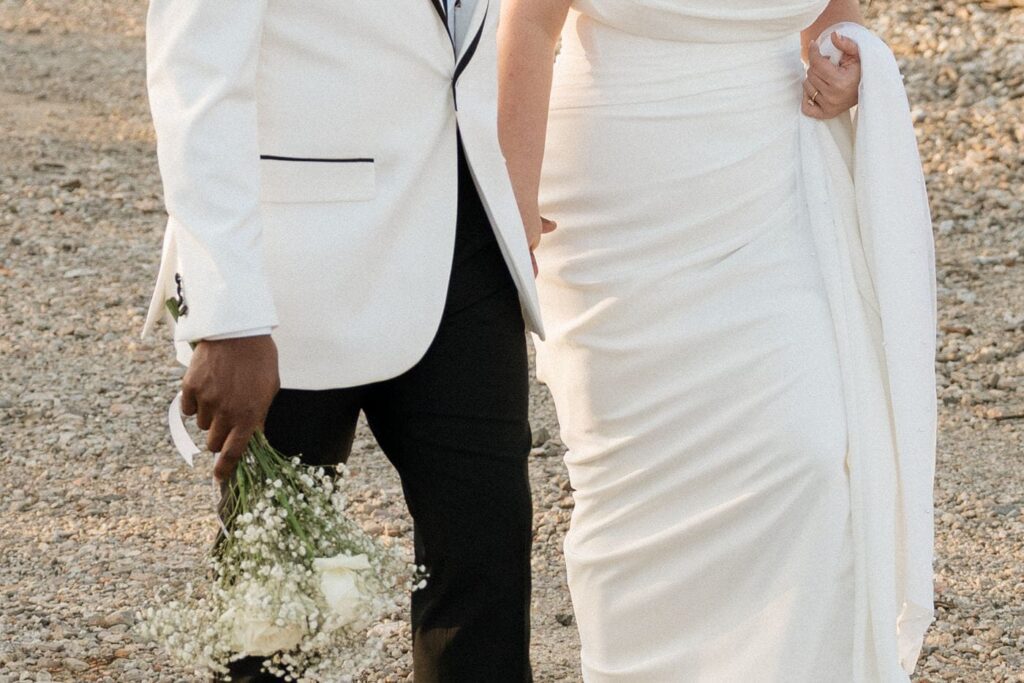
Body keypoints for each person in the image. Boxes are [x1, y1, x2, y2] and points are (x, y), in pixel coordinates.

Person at [498, 0, 937, 680]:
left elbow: (832, 15)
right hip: (617, 211)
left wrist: (849, 69)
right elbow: (528, 22)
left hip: (771, 189)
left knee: (812, 453)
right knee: (634, 491)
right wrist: (514, 201)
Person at [141, 1, 548, 680]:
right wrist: (228, 313)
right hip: (295, 266)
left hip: (463, 234)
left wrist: (514, 191)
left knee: (488, 551)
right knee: (275, 607)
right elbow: (194, 71)